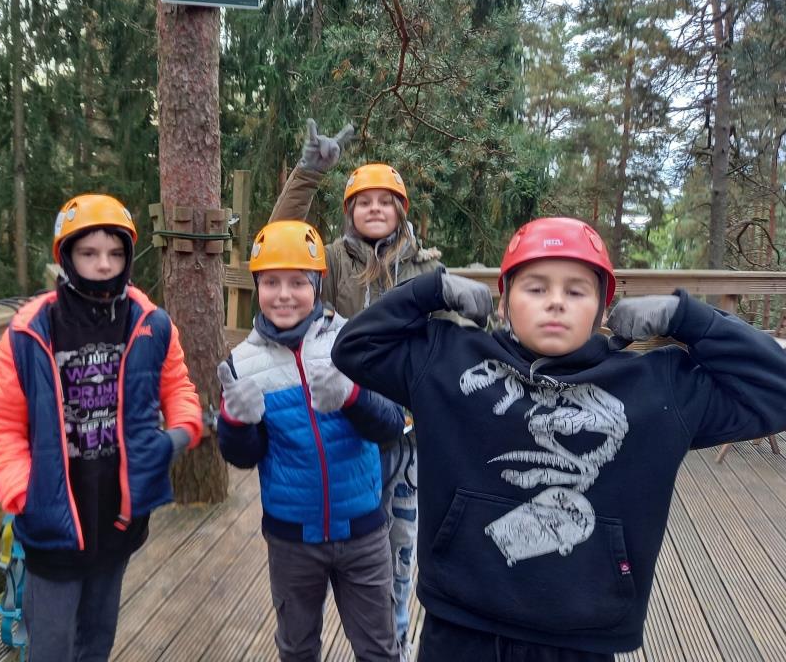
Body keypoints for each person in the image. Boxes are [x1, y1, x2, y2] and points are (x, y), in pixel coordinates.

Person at [331, 216, 786, 661]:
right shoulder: (449, 359)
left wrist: (690, 319)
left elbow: (776, 390)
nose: (555, 302)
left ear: (603, 309)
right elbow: (354, 348)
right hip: (461, 621)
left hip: (582, 632)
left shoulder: (656, 386)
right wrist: (429, 291)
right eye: (535, 288)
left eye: (576, 291)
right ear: (504, 303)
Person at [0, 193, 203, 662]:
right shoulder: (30, 331)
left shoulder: (149, 322)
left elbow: (177, 386)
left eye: (115, 253)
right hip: (53, 515)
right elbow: (1, 421)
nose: (103, 264)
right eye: (89, 252)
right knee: (51, 644)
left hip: (117, 512)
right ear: (66, 256)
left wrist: (181, 432)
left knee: (97, 635)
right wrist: (21, 492)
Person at [269, 119, 446, 657]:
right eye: (363, 201)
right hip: (345, 429)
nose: (374, 209)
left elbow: (445, 343)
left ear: (401, 210)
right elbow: (279, 243)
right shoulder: (328, 261)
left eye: (385, 201)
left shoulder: (426, 270)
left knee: (399, 550)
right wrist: (308, 174)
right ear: (348, 211)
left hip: (406, 434)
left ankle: (392, 645)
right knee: (353, 549)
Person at [217, 219, 405, 662]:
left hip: (362, 530)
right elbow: (245, 456)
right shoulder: (242, 362)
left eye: (298, 282)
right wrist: (235, 422)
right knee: (297, 648)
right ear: (257, 286)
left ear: (317, 284)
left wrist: (352, 396)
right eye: (271, 282)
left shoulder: (351, 342)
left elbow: (391, 426)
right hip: (291, 537)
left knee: (379, 649)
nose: (284, 295)